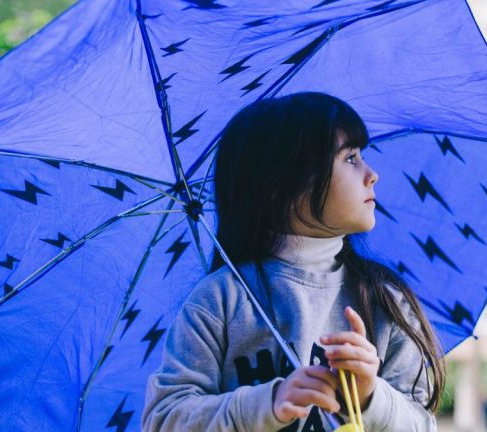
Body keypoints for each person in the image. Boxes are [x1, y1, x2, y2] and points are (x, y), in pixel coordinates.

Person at [142, 92, 445, 431]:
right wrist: (267, 404)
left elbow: (423, 424)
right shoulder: (219, 301)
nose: (372, 174)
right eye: (350, 158)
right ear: (283, 185)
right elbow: (162, 419)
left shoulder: (384, 302)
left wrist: (371, 397)